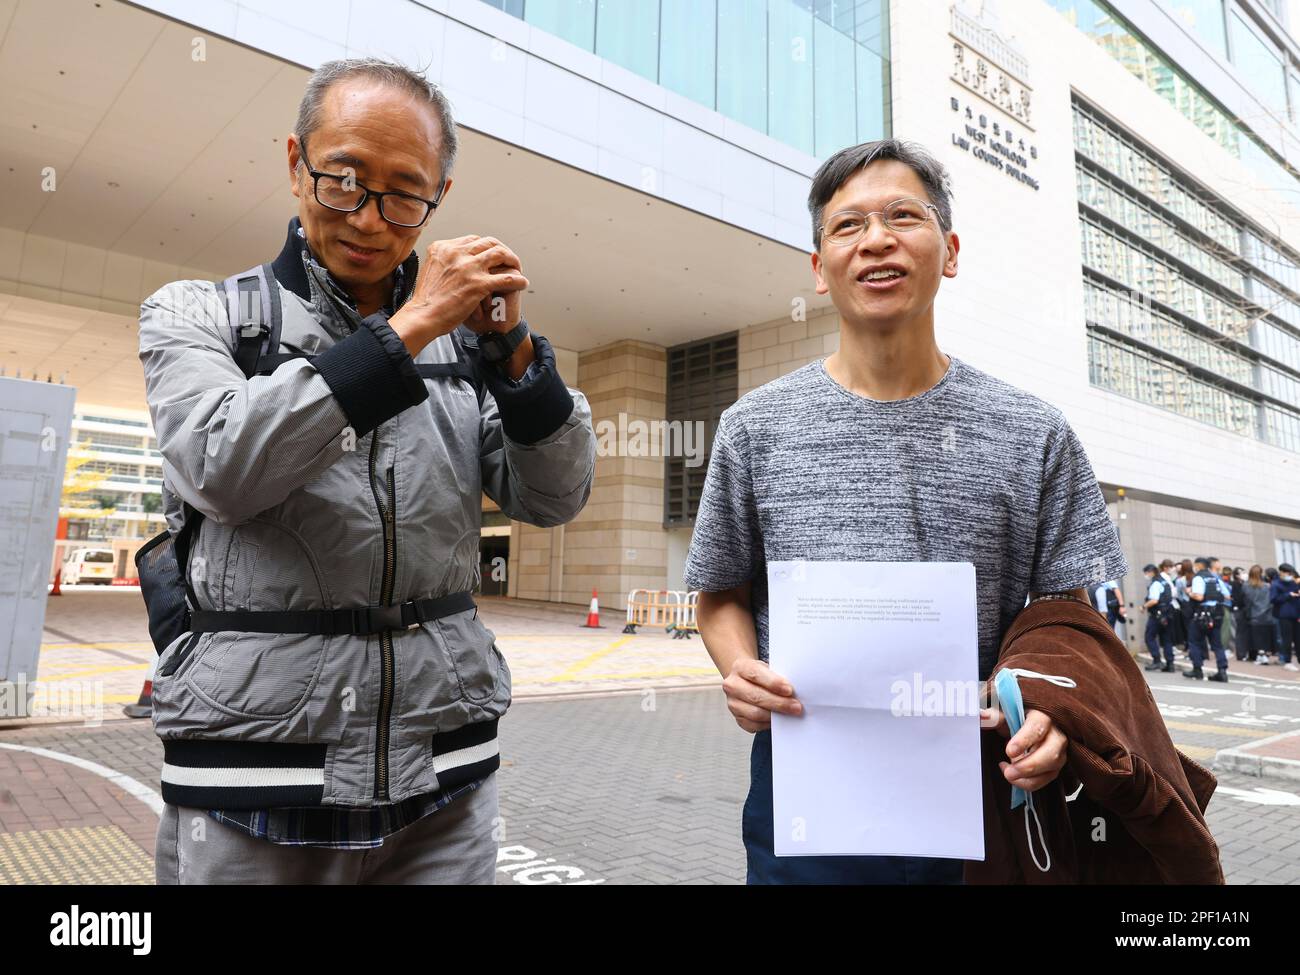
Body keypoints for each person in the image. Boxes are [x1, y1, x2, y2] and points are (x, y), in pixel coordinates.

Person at [139, 58, 596, 884]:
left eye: (404, 193)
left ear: (439, 197)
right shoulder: (196, 312)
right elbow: (222, 464)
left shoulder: (466, 344)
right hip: (252, 773)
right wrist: (412, 326)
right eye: (343, 180)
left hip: (445, 775)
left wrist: (516, 357)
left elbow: (555, 495)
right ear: (294, 162)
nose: (371, 218)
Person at [683, 140, 1127, 885]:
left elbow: (1067, 618)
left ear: (949, 251)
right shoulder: (755, 426)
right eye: (847, 225)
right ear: (819, 269)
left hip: (987, 797)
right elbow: (719, 591)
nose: (877, 239)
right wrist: (741, 670)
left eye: (902, 216)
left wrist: (1053, 711)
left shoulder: (1033, 431)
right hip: (805, 795)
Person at [1186, 556, 1231, 682]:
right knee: (1217, 644)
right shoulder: (1215, 578)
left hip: (1202, 614)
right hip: (1217, 614)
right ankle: (1222, 671)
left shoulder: (1199, 578)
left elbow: (1199, 597)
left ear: (1199, 566)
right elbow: (1227, 595)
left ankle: (1197, 670)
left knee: (1194, 641)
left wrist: (1189, 592)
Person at [1142, 563, 1175, 672]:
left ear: (1151, 572)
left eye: (1146, 573)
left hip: (1157, 614)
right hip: (1168, 613)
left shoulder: (1155, 583)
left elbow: (1154, 600)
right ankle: (1170, 664)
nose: (1146, 575)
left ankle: (1157, 661)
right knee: (1166, 639)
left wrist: (1143, 606)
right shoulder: (1164, 581)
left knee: (1149, 636)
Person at [1241, 565, 1274, 665]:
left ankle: (1260, 655)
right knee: (1265, 636)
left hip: (1254, 614)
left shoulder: (1246, 586)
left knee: (1256, 637)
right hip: (1267, 614)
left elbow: (1247, 601)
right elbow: (1270, 601)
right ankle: (1264, 655)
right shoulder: (1267, 586)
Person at [1271, 563, 1300, 671]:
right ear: (1282, 573)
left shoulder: (1293, 583)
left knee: (1298, 639)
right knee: (1286, 639)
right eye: (1288, 573)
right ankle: (1287, 661)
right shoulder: (1276, 584)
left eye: (1291, 573)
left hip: (1296, 613)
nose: (1290, 575)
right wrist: (1288, 595)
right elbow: (1273, 599)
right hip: (1284, 615)